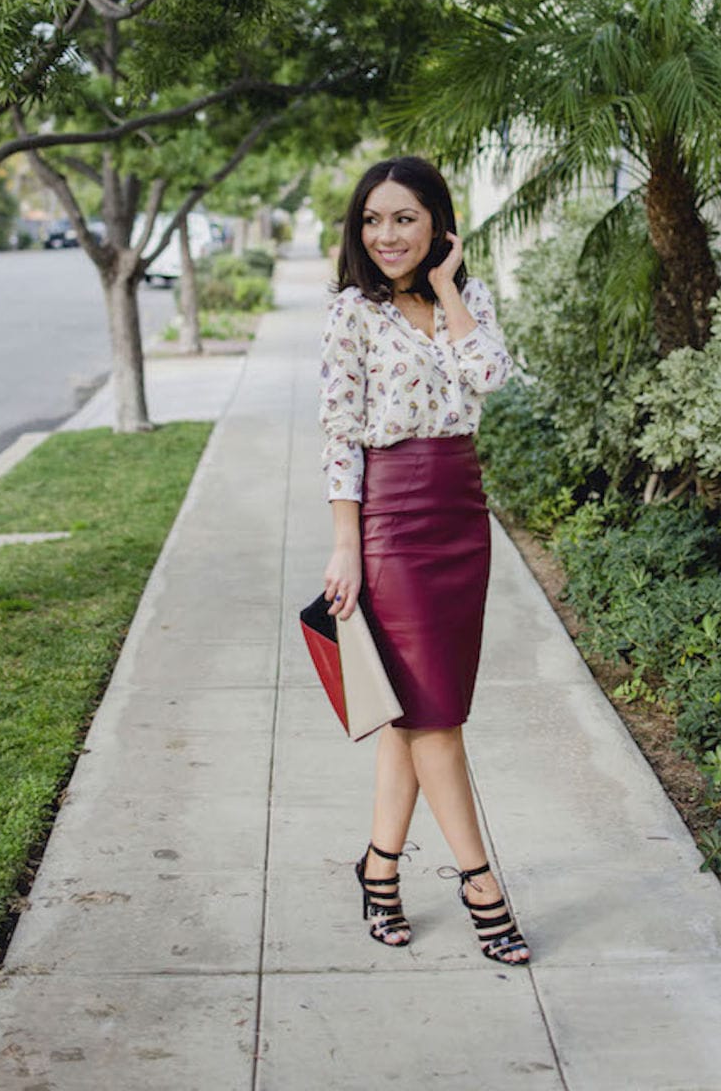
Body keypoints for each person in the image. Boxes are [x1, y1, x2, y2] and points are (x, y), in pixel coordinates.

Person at [318, 155, 530, 966]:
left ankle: (378, 870)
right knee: (436, 718)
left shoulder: (463, 298)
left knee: (414, 711)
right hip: (392, 525)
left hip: (459, 514)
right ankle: (482, 885)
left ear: (438, 224)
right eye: (373, 221)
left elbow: (490, 377)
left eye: (403, 218)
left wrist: (445, 289)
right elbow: (340, 435)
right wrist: (347, 543)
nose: (385, 235)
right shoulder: (351, 313)